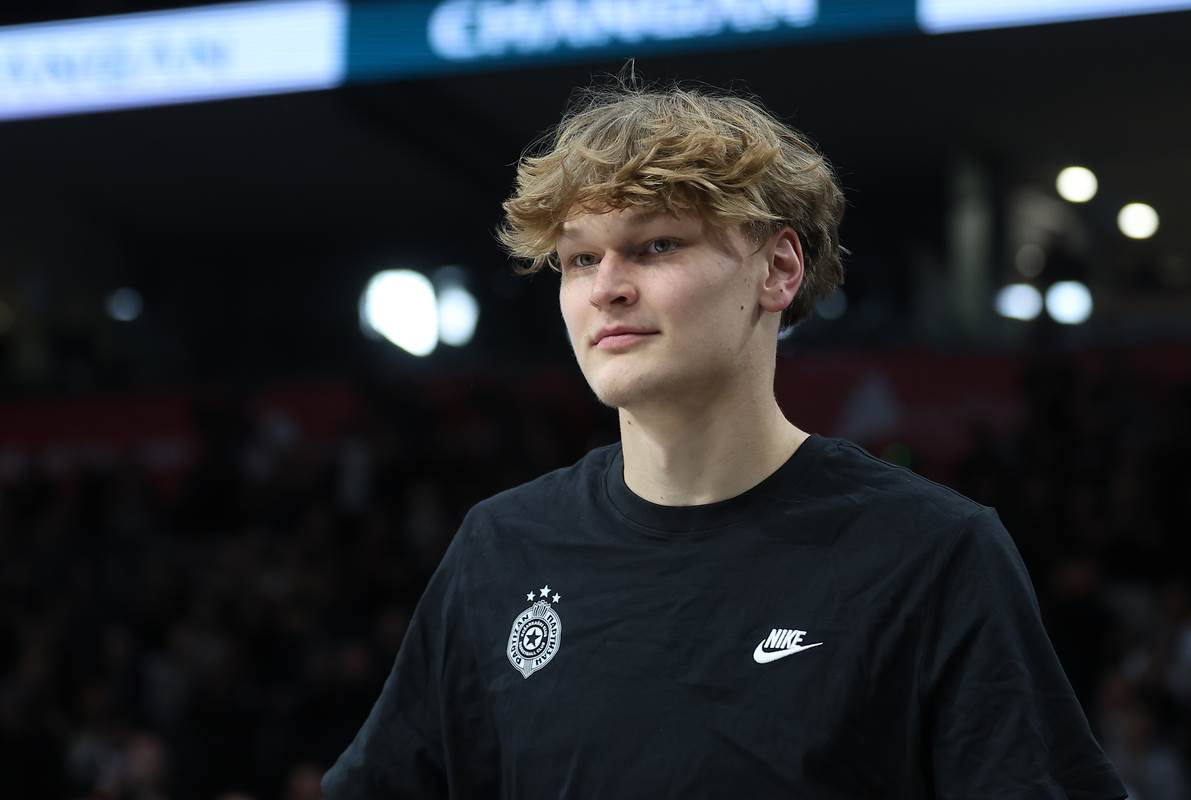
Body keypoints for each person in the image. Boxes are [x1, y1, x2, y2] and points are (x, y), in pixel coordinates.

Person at [322, 77, 1129, 799]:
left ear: (778, 270)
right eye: (579, 259)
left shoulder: (934, 554)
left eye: (656, 245)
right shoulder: (500, 548)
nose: (606, 288)